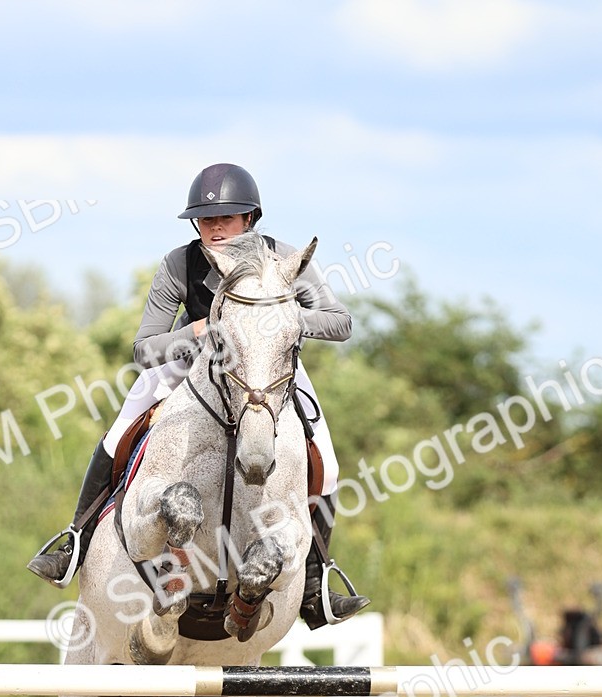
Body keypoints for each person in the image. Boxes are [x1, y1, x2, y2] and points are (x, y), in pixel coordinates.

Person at [27, 162, 369, 629]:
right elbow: (144, 347)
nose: (213, 228)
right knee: (119, 430)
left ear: (250, 218)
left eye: (225, 219)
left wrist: (278, 319)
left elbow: (340, 321)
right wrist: (197, 330)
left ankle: (314, 581)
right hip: (190, 368)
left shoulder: (283, 261)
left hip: (266, 370)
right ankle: (76, 540)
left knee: (324, 458)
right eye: (206, 220)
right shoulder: (178, 264)